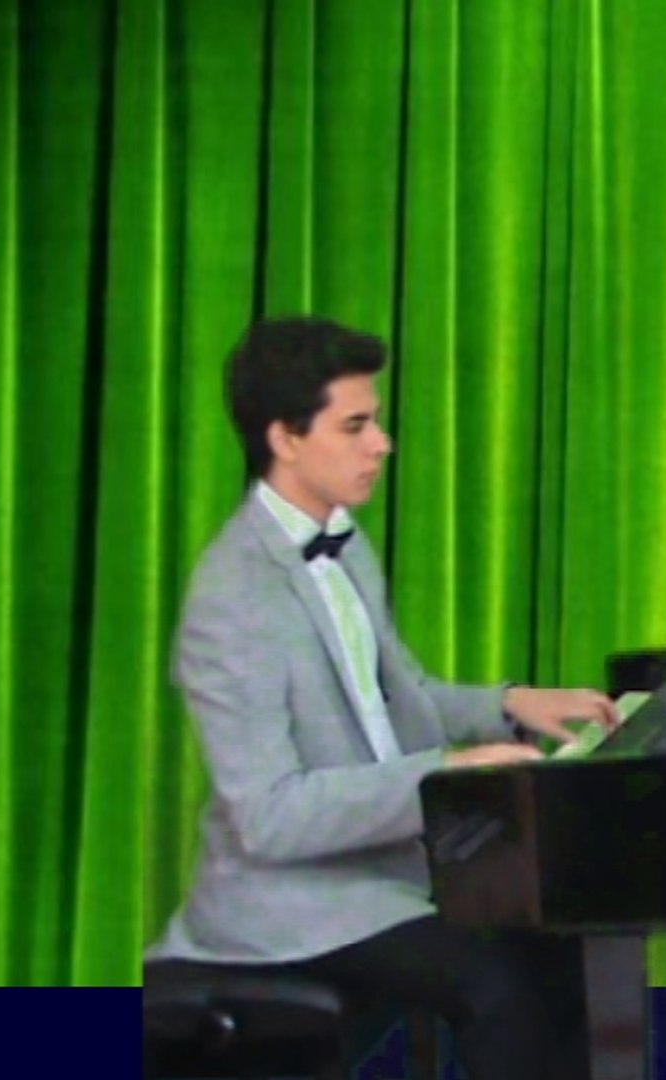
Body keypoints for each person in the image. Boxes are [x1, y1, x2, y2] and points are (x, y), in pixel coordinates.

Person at [144, 315, 620, 1080]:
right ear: (284, 438)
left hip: (383, 870)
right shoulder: (232, 598)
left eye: (377, 421)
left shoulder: (346, 542)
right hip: (288, 905)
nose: (382, 443)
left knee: (559, 940)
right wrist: (445, 773)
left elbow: (399, 695)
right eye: (356, 426)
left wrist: (514, 703)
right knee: (501, 983)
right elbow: (268, 817)